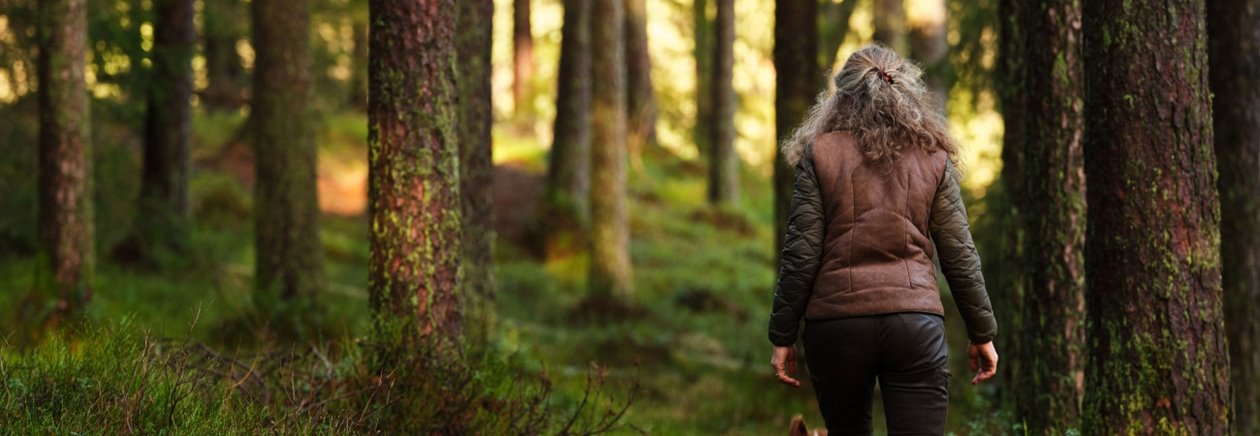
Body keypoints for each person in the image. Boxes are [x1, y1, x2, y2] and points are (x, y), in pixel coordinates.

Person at [767, 44, 999, 435]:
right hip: (914, 324)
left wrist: (782, 335)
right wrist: (982, 333)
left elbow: (801, 255)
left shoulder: (820, 153)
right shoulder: (932, 155)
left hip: (837, 327)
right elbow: (960, 255)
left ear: (840, 96)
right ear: (908, 92)